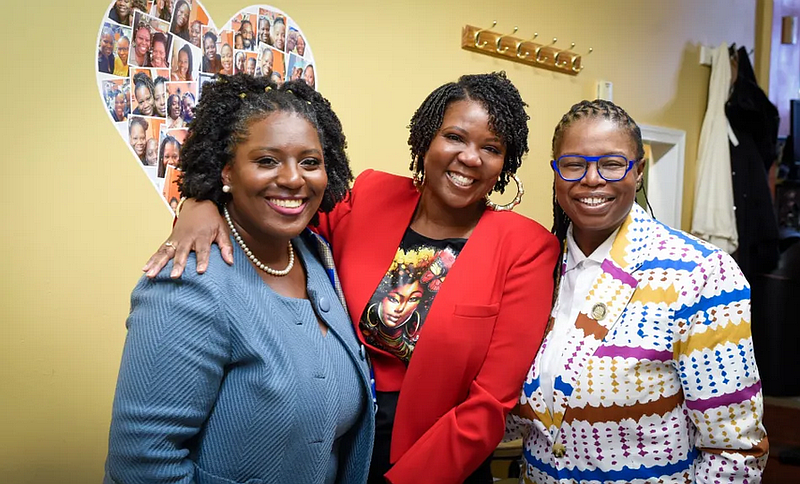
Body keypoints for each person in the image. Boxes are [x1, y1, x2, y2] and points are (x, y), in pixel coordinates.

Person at [142, 72, 559, 484]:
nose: (470, 157)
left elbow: (489, 404)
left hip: (434, 460)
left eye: (491, 148)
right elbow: (282, 209)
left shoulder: (526, 247)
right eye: (455, 137)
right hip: (331, 446)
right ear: (427, 138)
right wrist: (200, 202)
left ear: (507, 163)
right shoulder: (373, 195)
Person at [105, 75, 374, 484]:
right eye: (267, 160)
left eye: (310, 162)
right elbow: (143, 464)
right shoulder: (187, 281)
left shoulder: (317, 258)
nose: (293, 179)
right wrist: (196, 201)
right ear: (226, 172)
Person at [505, 99, 768, 483]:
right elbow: (516, 415)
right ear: (556, 173)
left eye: (612, 165)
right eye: (574, 164)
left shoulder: (700, 274)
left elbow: (734, 450)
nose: (592, 179)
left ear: (639, 171)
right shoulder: (536, 269)